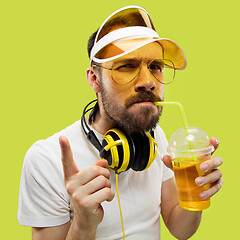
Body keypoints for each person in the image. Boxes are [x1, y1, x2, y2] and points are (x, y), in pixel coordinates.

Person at [17, 5, 223, 240]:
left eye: (156, 67)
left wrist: (197, 194)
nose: (149, 82)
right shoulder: (45, 159)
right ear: (94, 79)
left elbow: (180, 228)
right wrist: (83, 225)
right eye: (127, 66)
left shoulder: (156, 138)